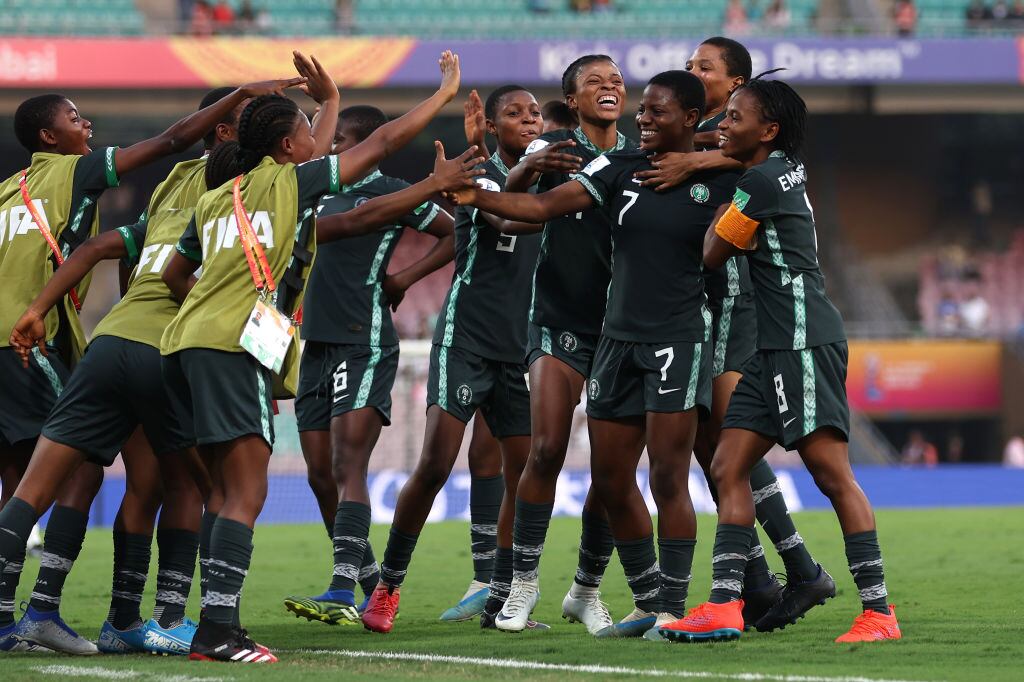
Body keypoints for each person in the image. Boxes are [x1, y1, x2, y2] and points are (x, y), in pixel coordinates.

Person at [157, 51, 475, 663]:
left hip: (183, 345)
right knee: (245, 495)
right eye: (308, 132)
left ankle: (215, 623)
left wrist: (328, 103)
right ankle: (218, 631)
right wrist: (442, 95)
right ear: (286, 144)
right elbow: (380, 143)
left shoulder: (219, 196)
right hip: (230, 347)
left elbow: (177, 274)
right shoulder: (290, 184)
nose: (319, 143)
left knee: (221, 492)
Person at [0, 77, 303, 654]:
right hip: (168, 346)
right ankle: (162, 615)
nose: (85, 123)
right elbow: (174, 143)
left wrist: (37, 307)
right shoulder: (238, 188)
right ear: (227, 134)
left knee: (78, 480)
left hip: (107, 341)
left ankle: (48, 613)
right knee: (193, 481)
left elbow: (104, 246)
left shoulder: (168, 190)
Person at [446, 70, 734, 641]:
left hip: (674, 339)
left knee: (668, 478)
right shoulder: (606, 166)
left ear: (690, 120)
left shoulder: (716, 178)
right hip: (593, 334)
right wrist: (472, 192)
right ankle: (569, 590)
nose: (643, 117)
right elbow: (536, 208)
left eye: (654, 109)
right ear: (572, 98)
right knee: (592, 467)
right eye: (643, 110)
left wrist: (701, 162)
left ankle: (650, 602)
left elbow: (760, 168)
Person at [659, 77, 901, 644]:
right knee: (726, 467)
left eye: (734, 117)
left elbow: (713, 255)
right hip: (772, 348)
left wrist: (711, 200)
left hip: (801, 339)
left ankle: (879, 612)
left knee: (831, 473)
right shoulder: (782, 167)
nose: (723, 125)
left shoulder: (760, 183)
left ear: (767, 129)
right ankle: (723, 605)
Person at [638, 37, 832, 633]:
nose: (694, 74)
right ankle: (767, 576)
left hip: (736, 300)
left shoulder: (741, 144)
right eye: (691, 66)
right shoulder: (710, 137)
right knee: (709, 445)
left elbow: (746, 167)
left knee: (726, 441)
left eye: (705, 68)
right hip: (698, 304)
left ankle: (782, 573)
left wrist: (694, 160)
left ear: (738, 84)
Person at [360, 84, 544, 635]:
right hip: (465, 341)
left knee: (523, 475)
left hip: (520, 350)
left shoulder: (551, 179)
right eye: (514, 113)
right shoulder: (477, 177)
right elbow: (509, 219)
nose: (529, 119)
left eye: (535, 112)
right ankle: (388, 585)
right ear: (492, 126)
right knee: (437, 463)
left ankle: (502, 594)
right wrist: (537, 176)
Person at [283, 104, 457, 625]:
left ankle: (339, 589)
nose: (324, 145)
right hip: (314, 344)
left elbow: (454, 232)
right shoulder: (308, 191)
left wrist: (404, 279)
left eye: (333, 139)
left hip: (364, 339)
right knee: (319, 475)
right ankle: (366, 581)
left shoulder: (387, 192)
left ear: (353, 142)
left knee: (346, 463)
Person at [491, 54, 637, 637]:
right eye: (595, 82)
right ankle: (522, 587)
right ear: (572, 100)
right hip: (557, 322)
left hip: (622, 330)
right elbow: (509, 219)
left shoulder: (640, 155)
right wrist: (526, 172)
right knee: (547, 447)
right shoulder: (553, 151)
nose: (610, 88)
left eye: (617, 81)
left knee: (610, 470)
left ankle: (586, 589)